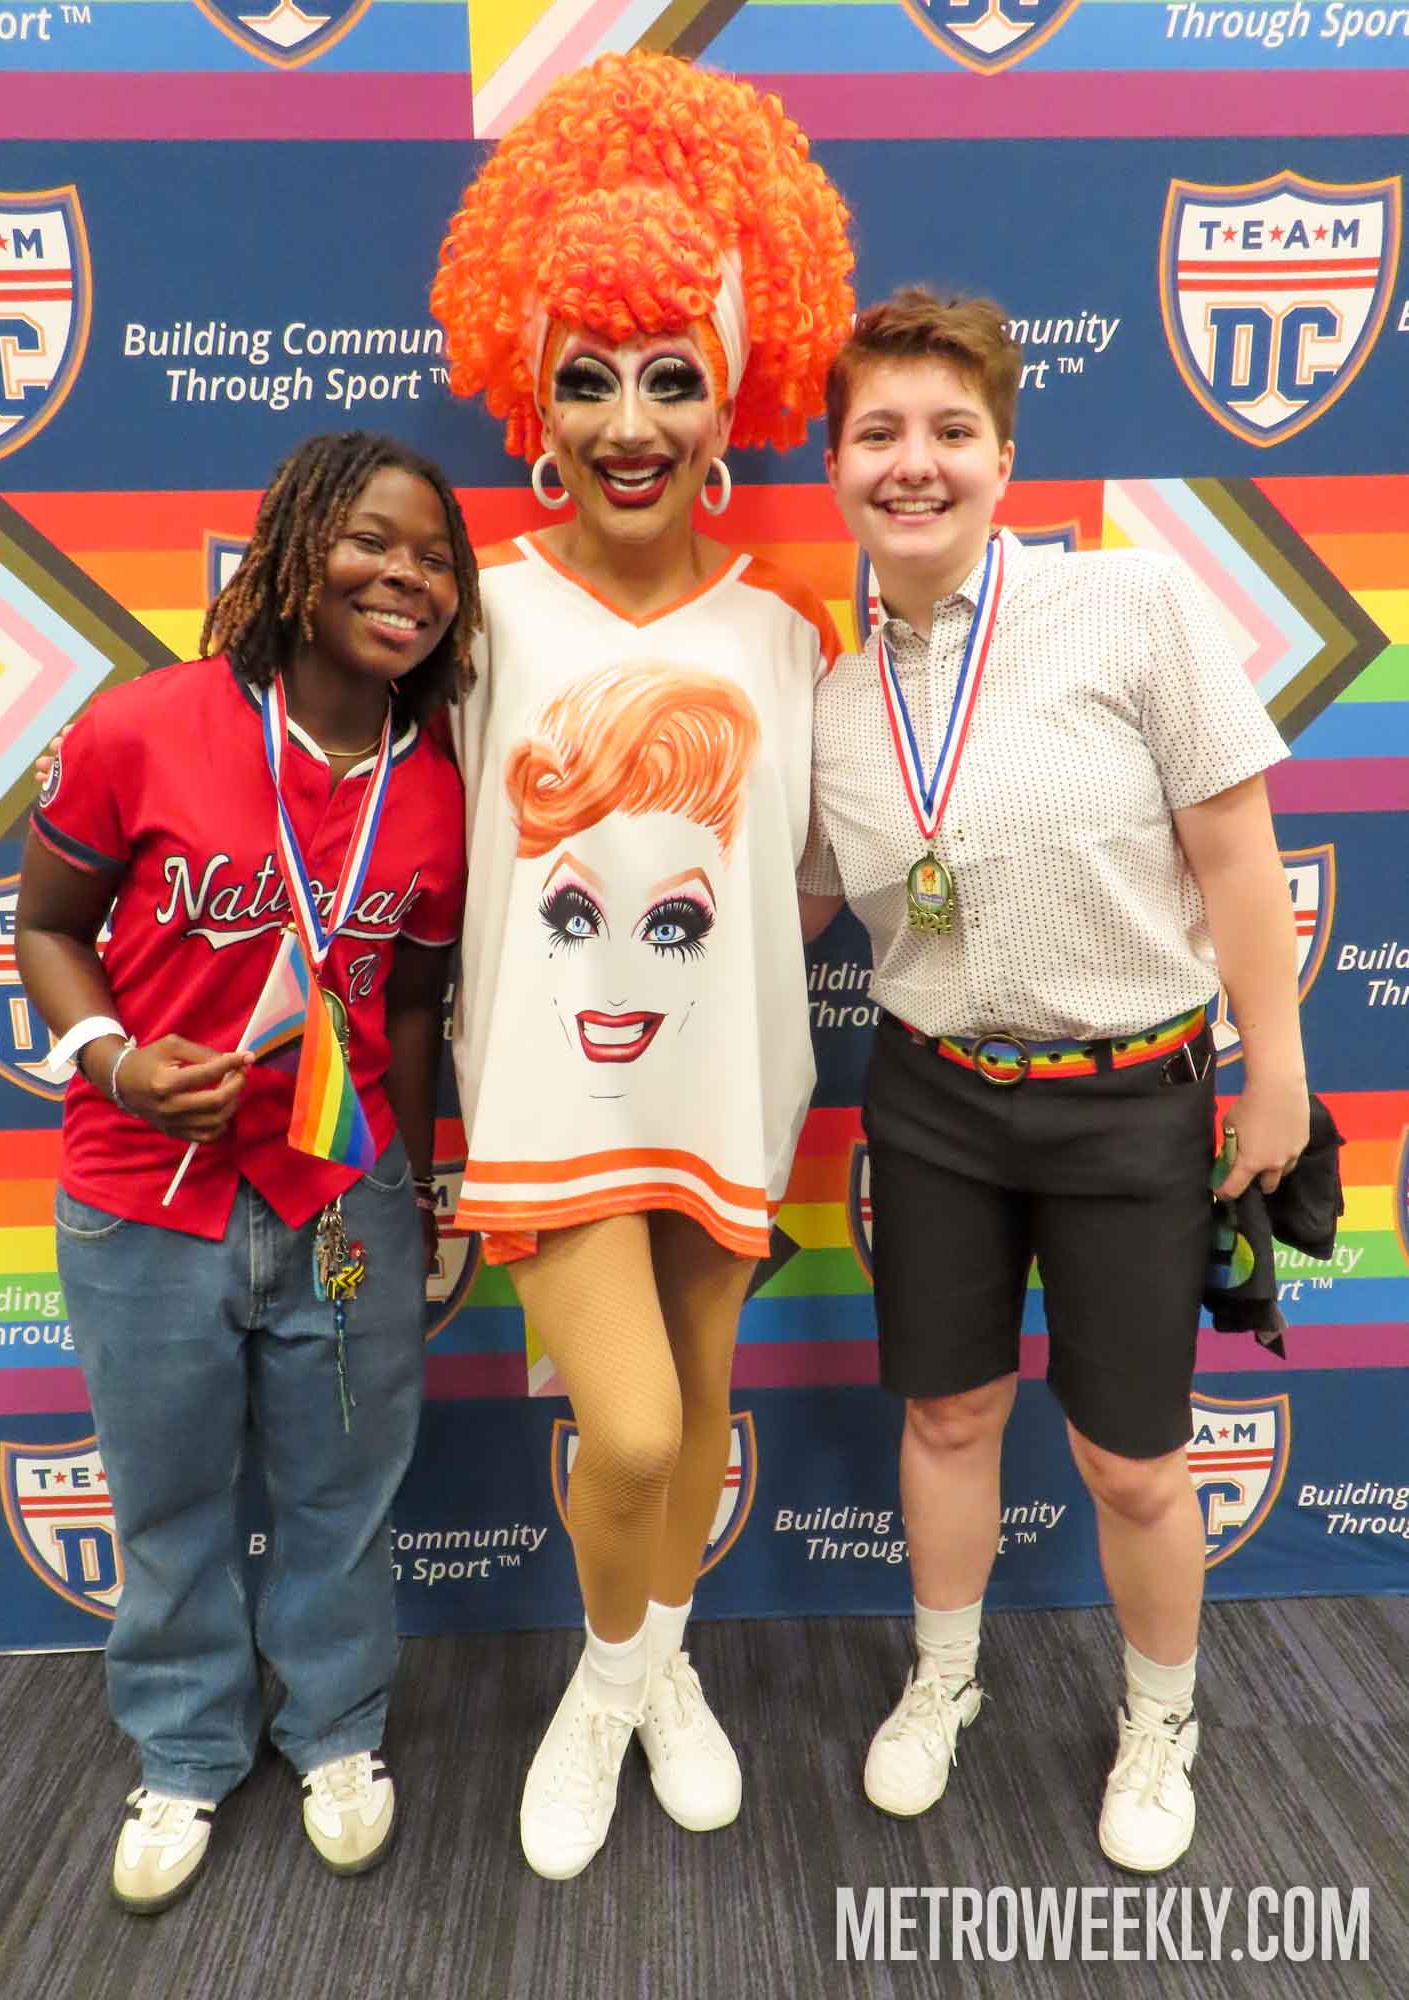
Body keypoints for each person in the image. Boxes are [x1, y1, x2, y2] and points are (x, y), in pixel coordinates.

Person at [799, 289, 1308, 1872]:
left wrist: (1277, 1072)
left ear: (1006, 460)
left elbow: (1237, 854)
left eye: (951, 430)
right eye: (878, 432)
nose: (914, 462)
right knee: (950, 1412)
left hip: (1131, 1100)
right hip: (931, 1097)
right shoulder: (831, 702)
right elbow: (782, 908)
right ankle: (944, 1677)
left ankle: (1162, 1718)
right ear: (834, 465)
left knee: (1131, 1457)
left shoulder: (1129, 606)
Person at [431, 50, 853, 1878]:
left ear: (731, 395)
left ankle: (656, 1673)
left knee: (698, 1417)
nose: (628, 421)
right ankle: (604, 1693)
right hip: (548, 1097)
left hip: (729, 1086)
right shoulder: (477, 614)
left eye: (671, 377)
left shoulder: (786, 634)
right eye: (587, 376)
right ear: (530, 393)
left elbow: (815, 878)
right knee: (629, 1426)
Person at [15, 431, 480, 1912]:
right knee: (168, 1504)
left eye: (435, 559)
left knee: (344, 1493)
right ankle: (184, 1748)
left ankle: (336, 1732)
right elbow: (45, 926)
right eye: (371, 541)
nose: (405, 577)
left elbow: (415, 1011)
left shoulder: (437, 786)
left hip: (343, 1197)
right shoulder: (142, 726)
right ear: (291, 552)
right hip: (145, 1192)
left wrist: (422, 1190)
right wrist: (115, 1061)